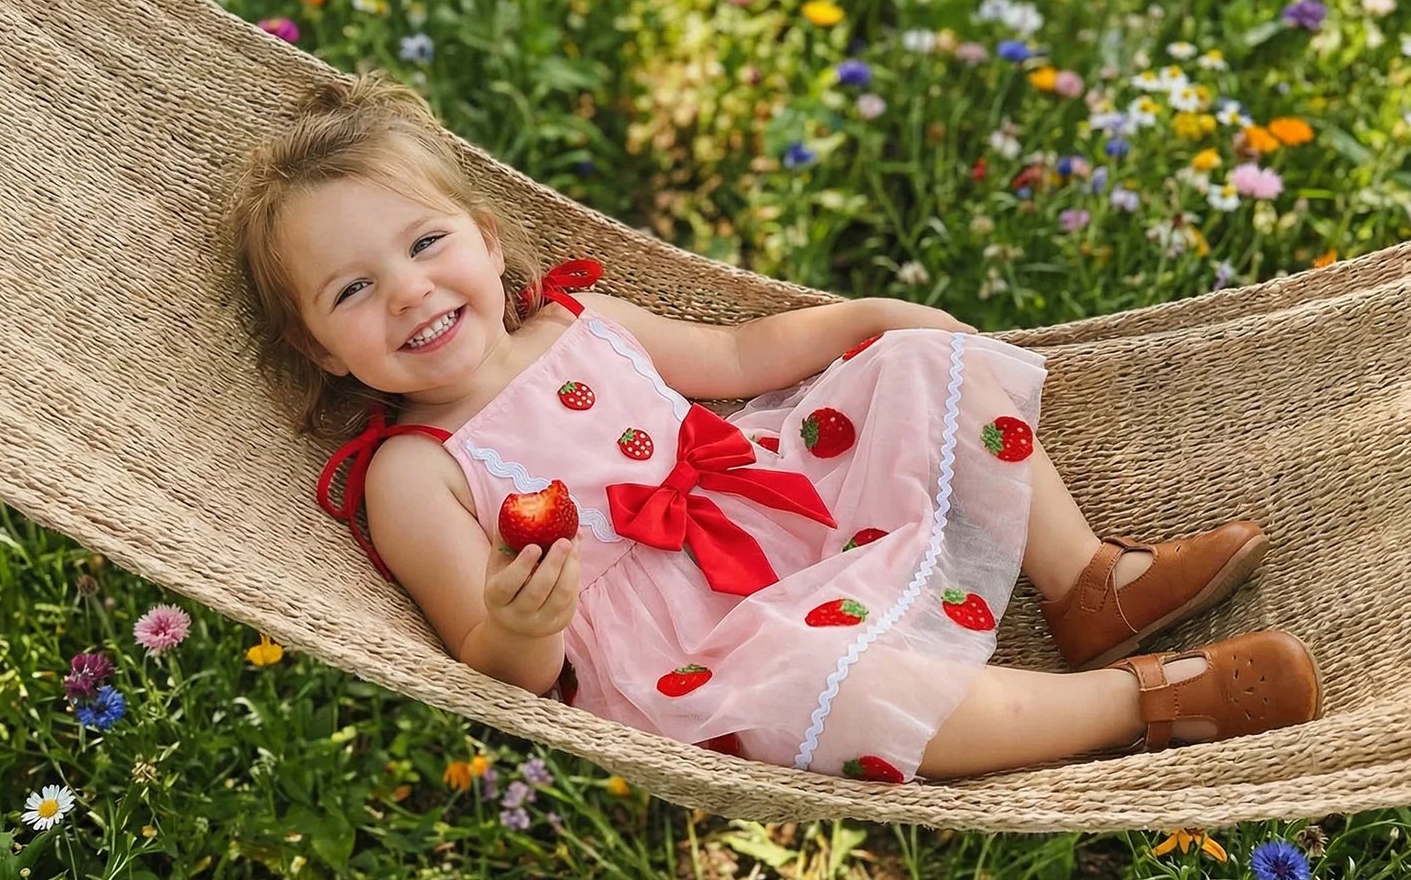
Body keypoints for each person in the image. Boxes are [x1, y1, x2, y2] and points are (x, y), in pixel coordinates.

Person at [218, 72, 1321, 783]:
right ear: (322, 350)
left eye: (421, 244)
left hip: (784, 504)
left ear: (488, 240)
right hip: (701, 652)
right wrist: (520, 619)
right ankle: (1134, 701)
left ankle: (1086, 579)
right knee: (832, 690)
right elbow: (494, 666)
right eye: (351, 292)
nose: (407, 291)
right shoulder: (413, 473)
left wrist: (875, 320)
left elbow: (742, 359)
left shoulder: (582, 319)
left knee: (914, 364)